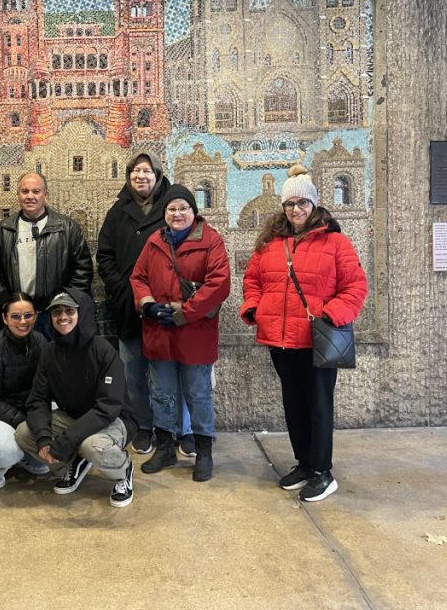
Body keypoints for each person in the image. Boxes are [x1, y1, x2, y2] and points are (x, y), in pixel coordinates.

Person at [240, 164, 368, 502]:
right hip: (280, 339)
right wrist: (254, 307)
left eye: (303, 203)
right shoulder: (270, 243)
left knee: (319, 404)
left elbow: (355, 287)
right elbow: (252, 280)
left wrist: (330, 315)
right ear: (283, 207)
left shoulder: (336, 242)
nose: (296, 210)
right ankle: (304, 463)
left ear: (314, 205)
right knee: (293, 403)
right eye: (290, 204)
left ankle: (323, 471)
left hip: (316, 337)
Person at [97, 151, 195, 457]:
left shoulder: (174, 207)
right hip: (130, 305)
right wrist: (119, 287)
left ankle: (184, 429)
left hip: (168, 307)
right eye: (135, 171)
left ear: (158, 175)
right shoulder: (117, 212)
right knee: (133, 372)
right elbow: (105, 255)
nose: (141, 176)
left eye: (147, 171)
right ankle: (144, 426)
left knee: (177, 372)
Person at [130, 184, 231, 482]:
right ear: (165, 214)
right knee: (161, 394)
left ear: (193, 211)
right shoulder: (154, 241)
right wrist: (147, 305)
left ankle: (204, 452)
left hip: (194, 333)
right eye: (171, 209)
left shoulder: (211, 241)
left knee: (198, 395)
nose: (177, 214)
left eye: (183, 208)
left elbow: (219, 284)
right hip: (159, 332)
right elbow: (139, 277)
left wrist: (183, 313)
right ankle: (164, 448)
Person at [14, 289, 137, 508]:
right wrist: (43, 437)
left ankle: (123, 471)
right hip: (73, 417)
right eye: (57, 312)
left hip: (113, 420)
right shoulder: (50, 352)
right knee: (25, 433)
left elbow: (107, 407)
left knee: (93, 446)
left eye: (69, 310)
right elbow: (38, 399)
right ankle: (73, 464)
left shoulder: (104, 351)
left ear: (83, 313)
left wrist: (66, 440)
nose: (62, 316)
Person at [0, 172, 93, 338]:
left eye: (36, 191)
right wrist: (7, 301)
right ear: (18, 195)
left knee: (55, 362)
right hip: (19, 315)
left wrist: (63, 304)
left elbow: (83, 271)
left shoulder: (67, 228)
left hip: (54, 314)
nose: (30, 196)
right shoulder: (3, 230)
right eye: (24, 191)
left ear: (46, 195)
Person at [0, 292, 50, 489]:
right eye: (15, 316)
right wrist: (27, 425)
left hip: (25, 411)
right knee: (7, 452)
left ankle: (25, 457)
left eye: (28, 315)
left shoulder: (40, 342)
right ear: (5, 318)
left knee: (47, 462)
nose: (23, 321)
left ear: (36, 316)